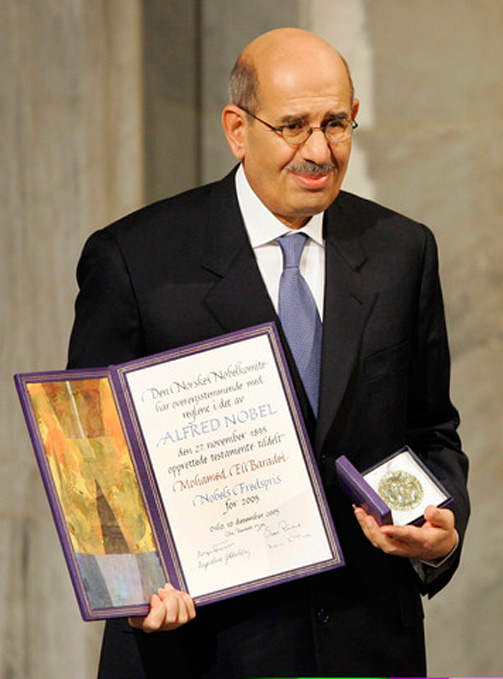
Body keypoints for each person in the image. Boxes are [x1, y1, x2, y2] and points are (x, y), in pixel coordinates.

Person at [68, 27, 469, 679]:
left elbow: (430, 431)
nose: (319, 151)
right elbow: (90, 459)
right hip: (203, 649)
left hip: (366, 642)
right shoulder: (136, 260)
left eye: (335, 123)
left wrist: (439, 529)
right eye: (293, 127)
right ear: (237, 129)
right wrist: (131, 588)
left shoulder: (402, 250)